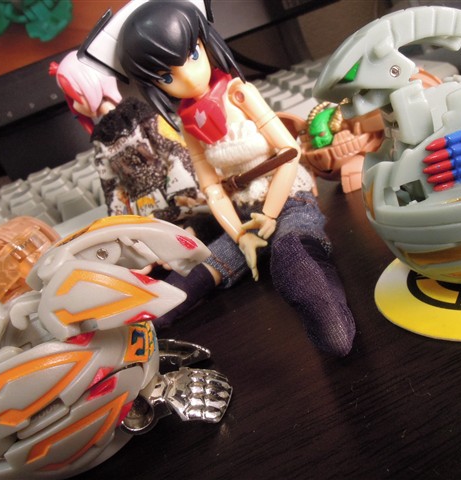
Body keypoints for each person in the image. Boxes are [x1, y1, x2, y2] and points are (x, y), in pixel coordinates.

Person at [118, 1, 356, 356]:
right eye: (166, 77)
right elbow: (212, 188)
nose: (188, 77)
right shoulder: (189, 123)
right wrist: (240, 235)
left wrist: (270, 214)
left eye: (192, 55)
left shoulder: (239, 94)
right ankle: (133, 331)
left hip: (289, 199)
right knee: (200, 271)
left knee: (292, 251)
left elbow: (289, 152)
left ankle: (335, 332)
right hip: (243, 214)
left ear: (204, 43)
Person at [50, 50, 217, 238]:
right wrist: (119, 222)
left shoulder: (141, 116)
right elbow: (112, 187)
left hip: (176, 199)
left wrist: (184, 195)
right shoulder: (101, 139)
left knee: (193, 233)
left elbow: (175, 152)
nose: (74, 106)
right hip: (144, 211)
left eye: (74, 97)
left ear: (91, 85)